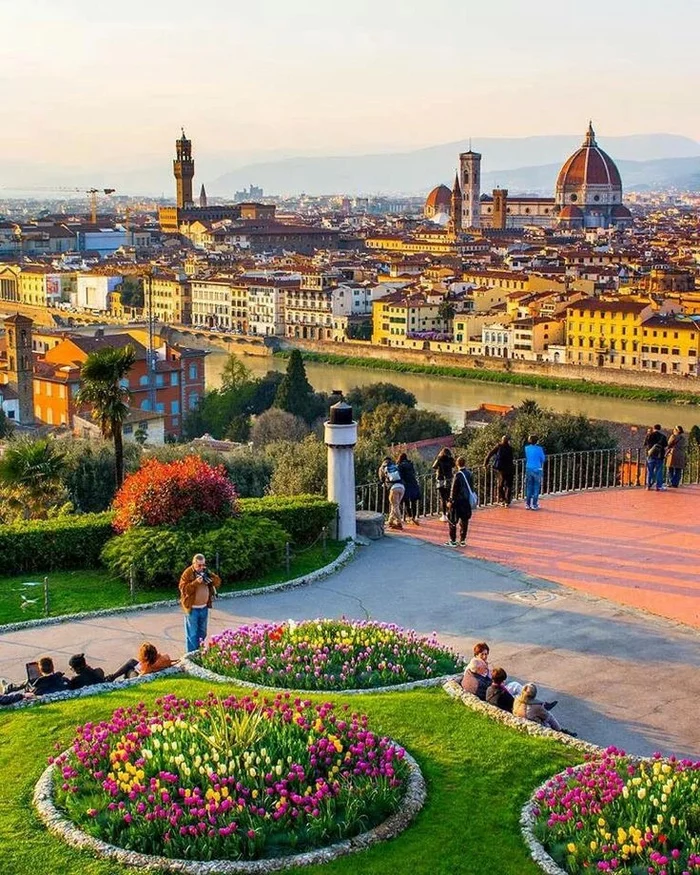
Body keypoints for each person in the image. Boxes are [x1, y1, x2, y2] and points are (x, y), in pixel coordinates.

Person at [179, 553, 222, 654]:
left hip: (204, 608)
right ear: (193, 564)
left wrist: (210, 578)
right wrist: (195, 583)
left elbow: (218, 582)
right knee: (192, 634)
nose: (201, 567)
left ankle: (198, 651)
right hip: (192, 609)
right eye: (199, 565)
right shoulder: (187, 573)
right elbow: (184, 589)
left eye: (203, 565)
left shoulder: (205, 571)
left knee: (202, 632)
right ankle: (191, 655)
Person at [445, 456, 475, 547]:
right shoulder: (469, 474)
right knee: (464, 521)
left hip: (457, 501)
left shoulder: (457, 475)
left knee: (452, 520)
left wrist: (450, 501)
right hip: (466, 501)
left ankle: (453, 540)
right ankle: (462, 540)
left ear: (457, 464)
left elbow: (453, 490)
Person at [485, 435, 515, 507]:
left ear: (502, 440)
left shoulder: (499, 447)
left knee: (500, 485)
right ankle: (507, 501)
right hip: (509, 468)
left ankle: (503, 499)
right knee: (509, 485)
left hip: (501, 469)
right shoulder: (510, 448)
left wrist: (485, 463)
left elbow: (490, 454)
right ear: (508, 441)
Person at [379, 456, 405, 530]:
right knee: (394, 505)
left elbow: (381, 479)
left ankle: (399, 523)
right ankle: (390, 521)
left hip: (394, 488)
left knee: (395, 506)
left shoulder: (382, 468)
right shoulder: (395, 466)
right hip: (402, 487)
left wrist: (383, 483)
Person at [397, 452, 421, 525]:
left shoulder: (400, 466)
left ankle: (409, 517)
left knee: (406, 502)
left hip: (406, 485)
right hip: (413, 483)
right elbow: (413, 472)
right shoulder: (410, 464)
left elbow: (400, 476)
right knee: (413, 501)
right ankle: (414, 517)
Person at [432, 447, 455, 522]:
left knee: (442, 498)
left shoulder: (439, 459)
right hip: (449, 479)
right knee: (449, 497)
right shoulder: (450, 459)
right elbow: (454, 465)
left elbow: (434, 466)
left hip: (440, 479)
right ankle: (450, 513)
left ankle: (444, 515)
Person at [524, 434, 546, 510]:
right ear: (537, 441)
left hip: (528, 468)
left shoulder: (526, 448)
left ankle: (527, 504)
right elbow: (543, 459)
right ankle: (534, 504)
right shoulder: (539, 449)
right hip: (537, 468)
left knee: (529, 486)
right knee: (536, 487)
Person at [644, 424, 668, 491]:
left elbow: (645, 444)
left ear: (653, 428)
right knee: (659, 471)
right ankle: (658, 486)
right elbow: (666, 447)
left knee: (650, 471)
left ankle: (648, 485)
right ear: (660, 429)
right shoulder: (663, 437)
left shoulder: (649, 435)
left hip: (650, 455)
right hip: (660, 456)